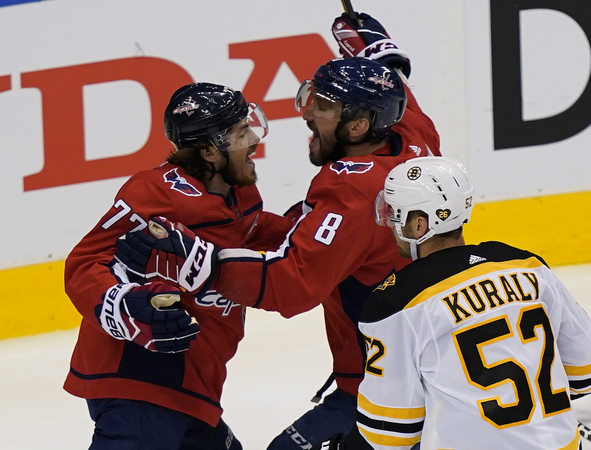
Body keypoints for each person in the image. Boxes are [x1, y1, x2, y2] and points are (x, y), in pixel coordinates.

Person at [113, 12, 442, 450]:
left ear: (358, 126)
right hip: (428, 365)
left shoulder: (353, 191)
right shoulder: (413, 139)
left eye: (323, 107)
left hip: (386, 391)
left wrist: (202, 263)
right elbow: (399, 93)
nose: (308, 113)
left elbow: (292, 283)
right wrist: (379, 54)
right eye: (312, 98)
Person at [314, 156, 591, 450]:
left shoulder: (397, 303)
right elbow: (587, 372)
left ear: (419, 224)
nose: (389, 223)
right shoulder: (527, 266)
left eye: (395, 214)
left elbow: (388, 434)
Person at [64, 82, 295, 450]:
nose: (254, 139)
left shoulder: (241, 192)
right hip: (140, 381)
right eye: (241, 132)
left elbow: (249, 231)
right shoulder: (157, 193)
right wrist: (125, 305)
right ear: (210, 151)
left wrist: (309, 229)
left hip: (194, 387)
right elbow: (85, 262)